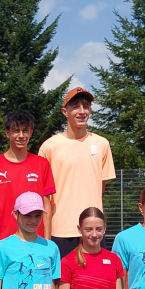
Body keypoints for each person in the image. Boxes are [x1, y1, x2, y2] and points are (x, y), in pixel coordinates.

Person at [39, 87, 116, 259]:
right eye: (75, 106)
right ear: (65, 111)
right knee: (61, 285)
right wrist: (46, 234)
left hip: (93, 229)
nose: (82, 111)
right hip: (60, 230)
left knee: (95, 284)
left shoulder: (102, 144)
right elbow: (44, 197)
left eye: (86, 106)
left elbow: (100, 188)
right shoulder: (49, 147)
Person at [0, 110, 55, 250]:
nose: (21, 136)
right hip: (4, 242)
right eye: (16, 131)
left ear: (31, 132)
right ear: (8, 133)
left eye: (25, 131)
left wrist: (48, 241)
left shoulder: (42, 164)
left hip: (36, 242)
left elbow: (47, 204)